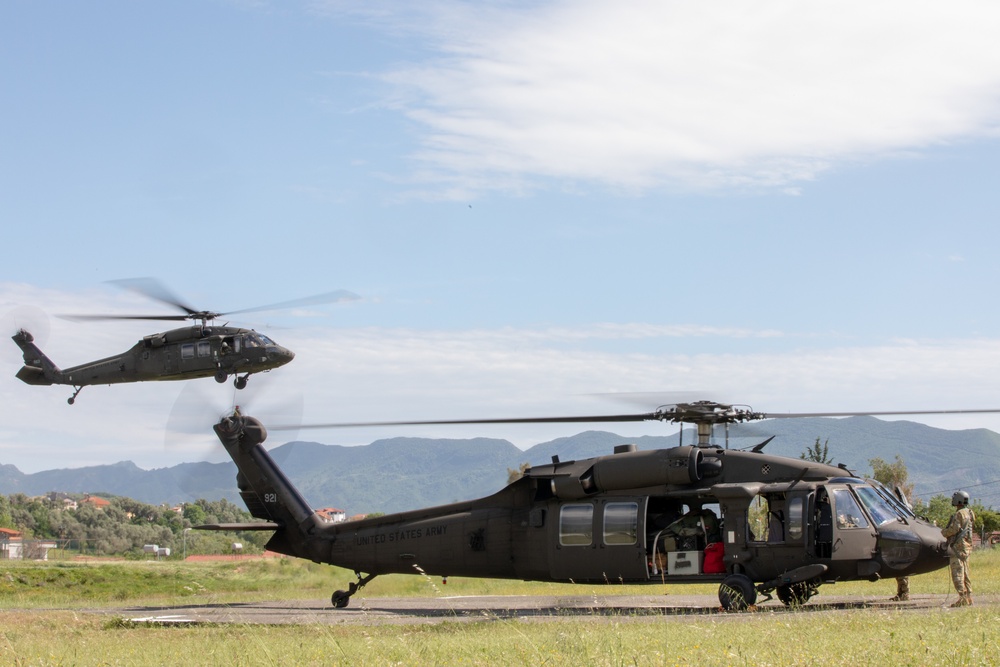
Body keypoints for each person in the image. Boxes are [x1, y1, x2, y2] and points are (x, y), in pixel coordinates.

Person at [941, 490, 975, 607]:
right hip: (967, 547)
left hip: (958, 548)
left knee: (957, 574)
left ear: (958, 500)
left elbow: (954, 529)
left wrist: (944, 532)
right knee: (965, 572)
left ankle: (962, 598)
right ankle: (969, 597)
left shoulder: (959, 514)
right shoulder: (970, 513)